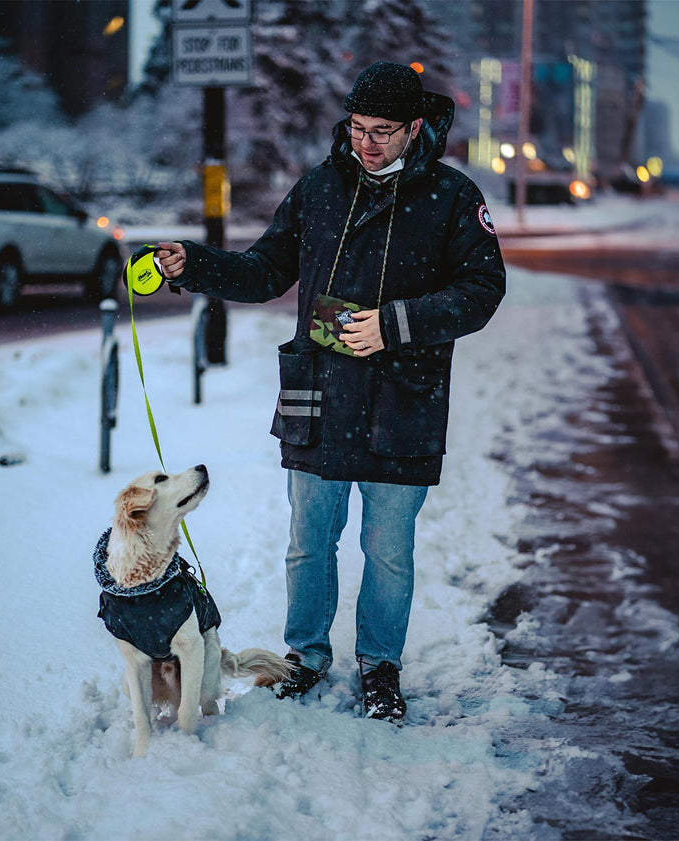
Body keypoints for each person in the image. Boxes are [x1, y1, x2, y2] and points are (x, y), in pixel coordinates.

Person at [151, 62, 506, 722]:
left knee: (388, 552)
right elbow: (263, 271)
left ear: (415, 129)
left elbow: (481, 292)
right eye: (358, 129)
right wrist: (196, 263)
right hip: (320, 396)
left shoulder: (453, 197)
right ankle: (306, 657)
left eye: (383, 132)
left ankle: (380, 666)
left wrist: (397, 323)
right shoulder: (319, 189)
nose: (366, 145)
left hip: (405, 403)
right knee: (307, 543)